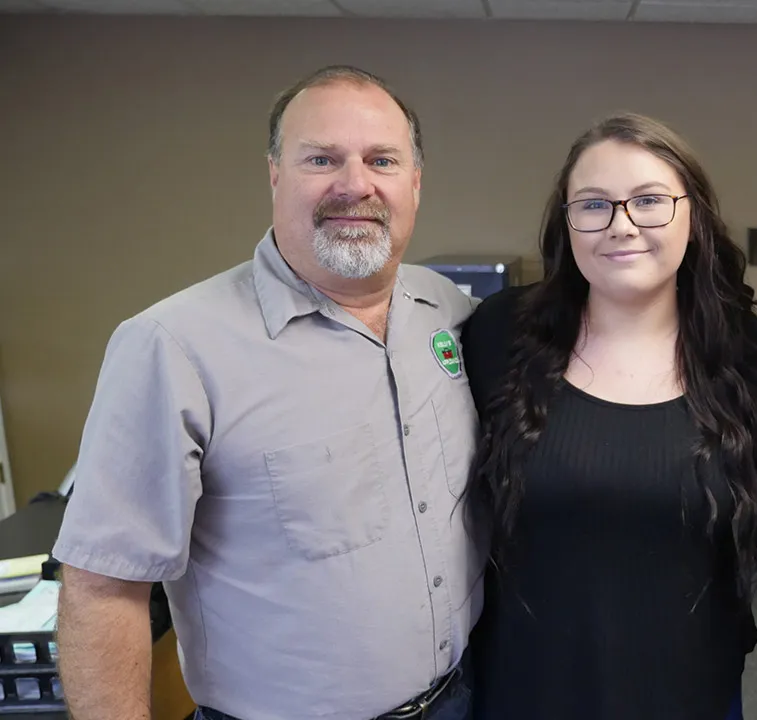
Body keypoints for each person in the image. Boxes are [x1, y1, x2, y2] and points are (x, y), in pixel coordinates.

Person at [51, 65, 480, 720]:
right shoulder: (173, 347)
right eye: (322, 158)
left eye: (382, 160)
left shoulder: (444, 308)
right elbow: (103, 588)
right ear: (275, 174)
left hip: (464, 697)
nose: (355, 184)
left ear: (414, 183)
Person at [460, 113, 757, 720]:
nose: (621, 225)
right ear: (567, 222)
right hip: (525, 693)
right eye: (593, 204)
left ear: (693, 217)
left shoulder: (750, 358)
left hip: (690, 696)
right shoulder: (499, 336)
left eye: (649, 201)